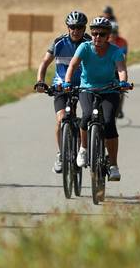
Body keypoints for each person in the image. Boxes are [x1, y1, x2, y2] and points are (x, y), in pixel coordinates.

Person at [64, 16, 129, 182]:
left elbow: (121, 68)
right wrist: (67, 82)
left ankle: (113, 165)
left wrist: (123, 82)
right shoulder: (85, 47)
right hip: (87, 88)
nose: (97, 37)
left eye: (101, 34)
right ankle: (84, 149)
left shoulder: (115, 51)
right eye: (94, 33)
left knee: (108, 122)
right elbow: (73, 65)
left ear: (108, 36)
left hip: (109, 89)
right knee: (85, 116)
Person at [34, 11, 90, 173]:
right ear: (68, 27)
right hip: (61, 85)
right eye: (72, 27)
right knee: (60, 119)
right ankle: (60, 154)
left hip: (84, 85)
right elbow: (45, 62)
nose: (76, 30)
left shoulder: (88, 42)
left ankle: (82, 146)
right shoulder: (59, 42)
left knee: (86, 116)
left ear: (84, 28)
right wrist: (40, 81)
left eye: (79, 27)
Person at [109, 22, 128, 119]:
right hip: (106, 70)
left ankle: (119, 108)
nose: (113, 34)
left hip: (117, 69)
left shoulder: (122, 42)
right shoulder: (104, 40)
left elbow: (124, 57)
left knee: (121, 90)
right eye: (111, 32)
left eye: (115, 32)